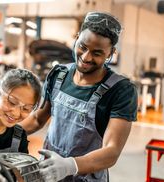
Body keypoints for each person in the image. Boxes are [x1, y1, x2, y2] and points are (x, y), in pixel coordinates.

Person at [20, 11, 138, 182]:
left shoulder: (121, 91)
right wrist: (7, 133)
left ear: (110, 53)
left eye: (97, 53)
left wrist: (69, 165)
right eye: (82, 46)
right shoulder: (58, 74)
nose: (85, 57)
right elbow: (38, 119)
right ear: (76, 38)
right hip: (48, 174)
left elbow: (112, 151)